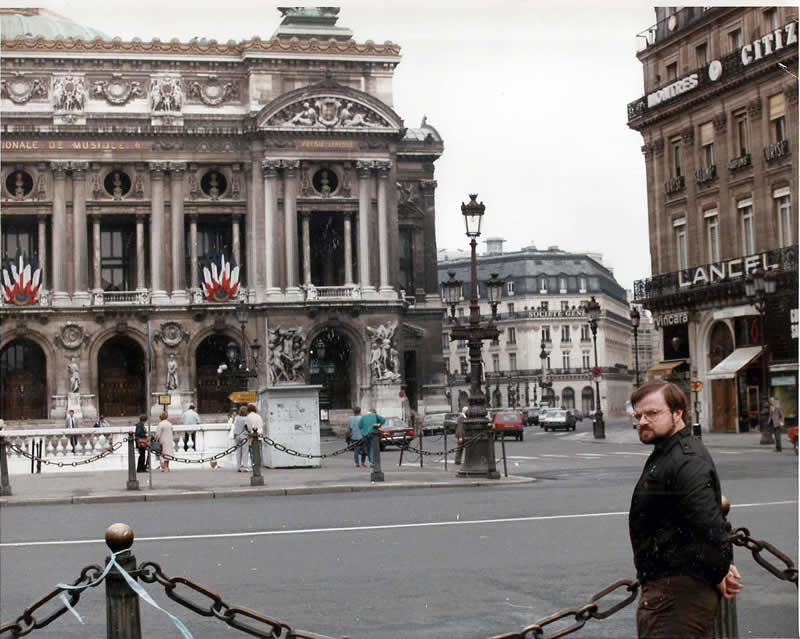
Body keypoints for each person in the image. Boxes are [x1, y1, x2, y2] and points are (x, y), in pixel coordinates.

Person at [629, 381, 742, 639]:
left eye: (653, 413)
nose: (643, 421)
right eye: (638, 416)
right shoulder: (670, 452)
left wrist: (719, 570)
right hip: (673, 594)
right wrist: (718, 570)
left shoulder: (685, 460)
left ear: (677, 413)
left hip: (676, 601)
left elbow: (709, 524)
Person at [246, 403, 265, 470]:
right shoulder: (258, 416)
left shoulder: (248, 417)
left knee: (252, 452)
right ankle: (260, 465)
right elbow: (262, 424)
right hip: (260, 435)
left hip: (252, 436)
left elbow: (248, 427)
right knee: (259, 451)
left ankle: (254, 465)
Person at [233, 405, 250, 472]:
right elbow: (246, 427)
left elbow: (235, 426)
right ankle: (245, 466)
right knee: (245, 451)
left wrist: (235, 434)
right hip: (244, 435)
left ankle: (238, 467)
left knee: (238, 451)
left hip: (236, 435)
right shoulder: (246, 418)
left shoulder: (237, 417)